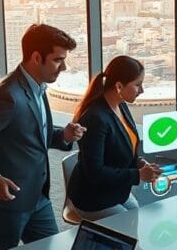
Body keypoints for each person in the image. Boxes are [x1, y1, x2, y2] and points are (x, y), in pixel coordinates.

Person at [0, 24, 85, 250]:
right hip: (10, 203)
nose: (64, 67)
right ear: (37, 58)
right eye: (58, 60)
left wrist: (63, 135)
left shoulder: (37, 86)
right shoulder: (8, 95)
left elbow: (33, 135)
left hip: (38, 197)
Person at [67, 55, 161, 220]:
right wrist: (138, 175)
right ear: (119, 86)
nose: (142, 90)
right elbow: (94, 173)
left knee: (134, 217)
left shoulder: (121, 105)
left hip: (115, 191)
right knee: (127, 226)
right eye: (137, 85)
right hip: (92, 197)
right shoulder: (96, 118)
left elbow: (122, 147)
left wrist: (139, 162)